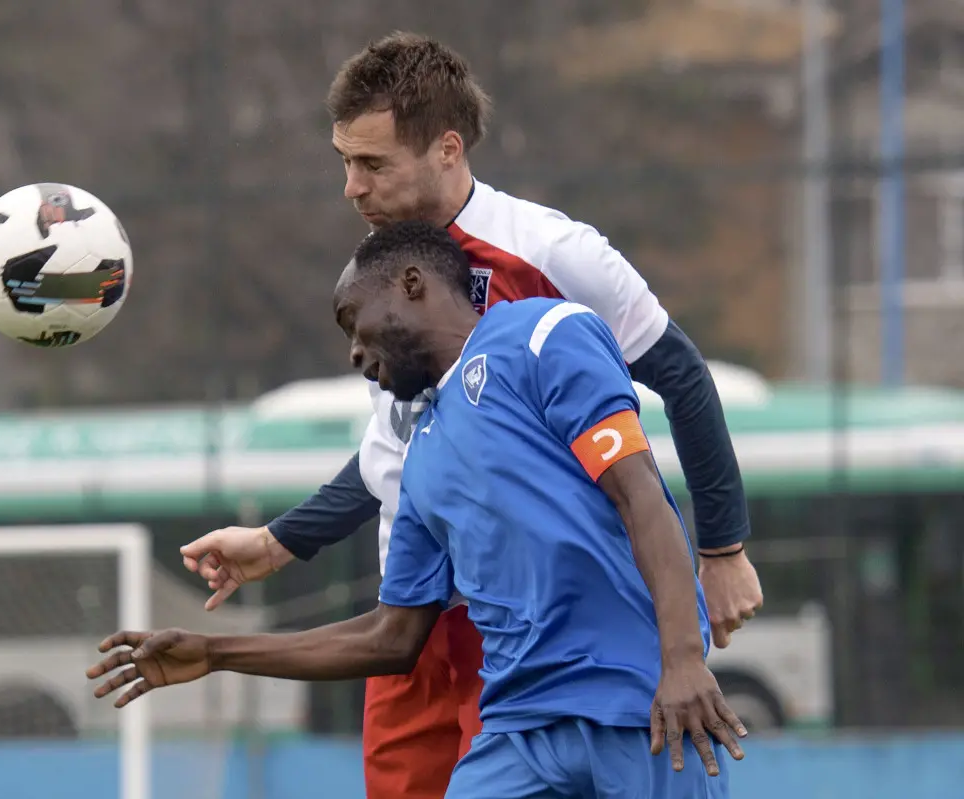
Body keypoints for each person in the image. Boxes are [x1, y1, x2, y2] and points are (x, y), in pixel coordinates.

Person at [184, 32, 763, 799]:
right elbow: (395, 455)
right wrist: (279, 540)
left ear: (447, 149)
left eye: (372, 164)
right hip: (413, 613)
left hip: (524, 624)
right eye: (344, 163)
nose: (351, 188)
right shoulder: (383, 287)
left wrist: (722, 548)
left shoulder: (554, 255)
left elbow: (683, 377)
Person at [88, 222, 747, 798]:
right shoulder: (419, 456)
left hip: (640, 708)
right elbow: (390, 636)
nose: (352, 351)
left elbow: (641, 496)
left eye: (353, 320)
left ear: (411, 282)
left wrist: (683, 662)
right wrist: (214, 650)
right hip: (515, 732)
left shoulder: (546, 331)